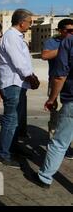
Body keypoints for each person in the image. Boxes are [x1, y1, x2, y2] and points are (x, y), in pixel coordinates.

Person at [0, 9, 40, 168]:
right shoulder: (11, 37)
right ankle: (3, 153)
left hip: (19, 84)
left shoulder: (16, 37)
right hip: (13, 84)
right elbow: (18, 62)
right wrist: (31, 77)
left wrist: (30, 76)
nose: (30, 24)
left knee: (15, 121)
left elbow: (24, 61)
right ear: (22, 22)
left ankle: (13, 147)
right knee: (11, 120)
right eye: (30, 22)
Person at [31, 34, 73, 188]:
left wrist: (52, 99)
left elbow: (60, 76)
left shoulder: (69, 41)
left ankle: (45, 177)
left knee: (60, 142)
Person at [41, 18, 73, 159]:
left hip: (70, 87)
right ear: (60, 30)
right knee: (54, 116)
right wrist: (65, 47)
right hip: (55, 84)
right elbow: (45, 55)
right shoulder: (52, 42)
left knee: (68, 119)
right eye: (69, 30)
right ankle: (54, 146)